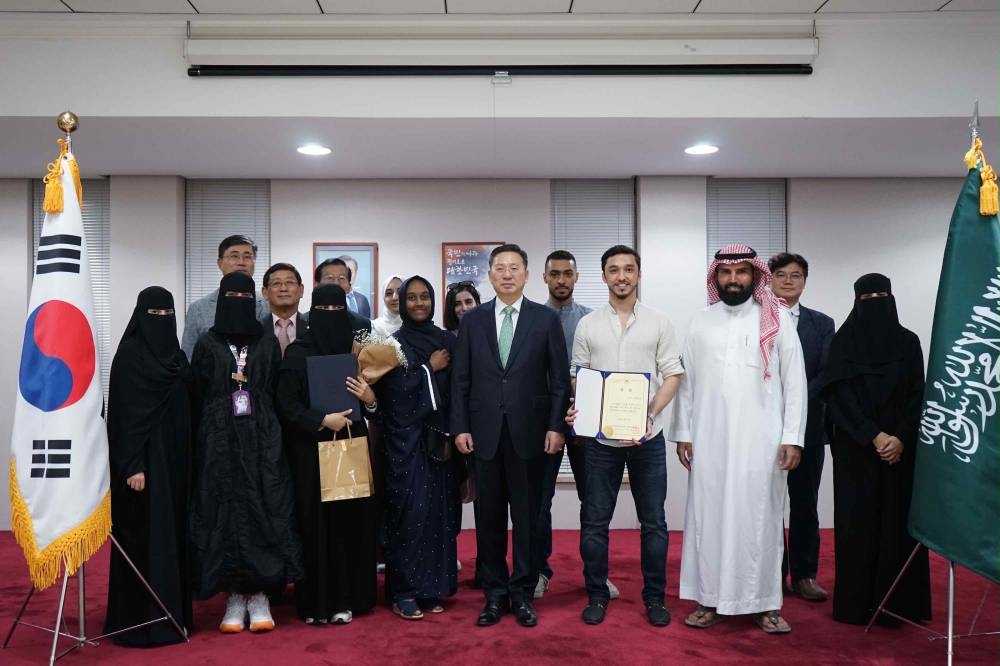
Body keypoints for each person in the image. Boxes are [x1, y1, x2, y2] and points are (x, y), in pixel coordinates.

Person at [670, 243, 806, 635]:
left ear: (755, 276)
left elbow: (795, 383)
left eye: (742, 272)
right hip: (709, 440)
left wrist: (792, 437)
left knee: (760, 519)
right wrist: (683, 433)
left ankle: (766, 603)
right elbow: (687, 384)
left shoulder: (777, 318)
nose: (733, 279)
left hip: (761, 442)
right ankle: (709, 599)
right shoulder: (700, 321)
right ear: (716, 278)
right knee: (707, 520)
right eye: (726, 273)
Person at [451, 243, 570, 628]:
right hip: (483, 434)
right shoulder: (473, 321)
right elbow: (461, 380)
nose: (506, 273)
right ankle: (494, 593)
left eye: (514, 267)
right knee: (487, 519)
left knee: (527, 517)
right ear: (490, 275)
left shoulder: (545, 320)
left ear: (526, 274)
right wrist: (460, 426)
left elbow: (558, 382)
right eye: (499, 267)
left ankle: (521, 592)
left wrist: (556, 426)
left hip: (531, 434)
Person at [566, 246, 683, 627]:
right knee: (595, 522)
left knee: (654, 523)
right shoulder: (588, 325)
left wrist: (647, 415)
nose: (621, 276)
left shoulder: (659, 322)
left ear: (638, 274)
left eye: (628, 269)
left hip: (647, 440)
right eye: (613, 270)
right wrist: (579, 407)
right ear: (603, 277)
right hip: (601, 443)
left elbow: (673, 375)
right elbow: (578, 375)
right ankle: (597, 594)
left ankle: (654, 598)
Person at [189, 271, 303, 634]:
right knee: (223, 509)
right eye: (231, 295)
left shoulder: (266, 341)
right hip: (219, 440)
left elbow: (271, 385)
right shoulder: (207, 343)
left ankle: (261, 593)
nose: (237, 301)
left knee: (264, 508)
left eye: (244, 295)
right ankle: (234, 595)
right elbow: (198, 391)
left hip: (262, 438)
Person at [821, 273, 931, 626]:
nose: (875, 302)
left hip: (901, 451)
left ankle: (902, 605)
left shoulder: (909, 342)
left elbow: (919, 394)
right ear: (857, 301)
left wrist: (899, 437)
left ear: (892, 298)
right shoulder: (842, 344)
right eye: (868, 297)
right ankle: (856, 605)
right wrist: (874, 435)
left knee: (900, 524)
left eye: (881, 295)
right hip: (857, 451)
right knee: (859, 525)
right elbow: (838, 396)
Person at [276, 284, 378, 626]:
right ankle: (319, 601)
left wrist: (369, 398)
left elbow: (381, 408)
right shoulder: (297, 354)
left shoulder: (362, 352)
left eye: (338, 310)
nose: (331, 317)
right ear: (312, 312)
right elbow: (285, 405)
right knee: (316, 527)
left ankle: (354, 597)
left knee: (353, 523)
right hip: (311, 452)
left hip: (352, 446)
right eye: (324, 310)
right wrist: (320, 420)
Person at [104, 287, 193, 646]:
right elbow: (123, 417)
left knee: (173, 537)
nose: (161, 321)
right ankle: (140, 624)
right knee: (144, 540)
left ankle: (174, 617)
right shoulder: (128, 357)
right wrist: (132, 465)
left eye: (166, 314)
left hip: (175, 463)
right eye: (153, 315)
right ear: (140, 315)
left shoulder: (177, 358)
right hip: (141, 471)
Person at [536, 250, 619, 601]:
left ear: (576, 277)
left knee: (594, 501)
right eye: (554, 274)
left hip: (587, 422)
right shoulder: (534, 319)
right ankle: (539, 570)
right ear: (544, 277)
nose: (561, 280)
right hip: (543, 423)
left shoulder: (591, 320)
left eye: (567, 274)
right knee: (540, 501)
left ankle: (596, 575)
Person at [378, 276, 460, 620]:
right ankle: (404, 591)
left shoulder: (446, 340)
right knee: (408, 514)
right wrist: (430, 368)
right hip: (405, 445)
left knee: (437, 517)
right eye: (411, 297)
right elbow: (393, 397)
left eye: (425, 297)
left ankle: (431, 587)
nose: (419, 303)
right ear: (402, 302)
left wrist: (455, 434)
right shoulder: (392, 346)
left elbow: (460, 389)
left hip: (439, 444)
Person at [768, 252, 835, 602]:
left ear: (805, 281)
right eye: (781, 274)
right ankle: (771, 575)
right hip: (762, 427)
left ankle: (805, 574)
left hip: (808, 428)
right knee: (767, 504)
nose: (789, 281)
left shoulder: (822, 324)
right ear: (770, 279)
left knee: (805, 502)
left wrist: (793, 399)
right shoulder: (757, 322)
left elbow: (827, 373)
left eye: (796, 275)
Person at [181, 234, 269, 358]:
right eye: (234, 256)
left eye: (247, 257)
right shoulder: (198, 309)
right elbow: (189, 357)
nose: (241, 262)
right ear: (220, 263)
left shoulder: (267, 304)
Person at [315, 259, 374, 335]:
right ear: (317, 285)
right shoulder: (304, 322)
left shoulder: (363, 325)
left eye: (341, 278)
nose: (336, 284)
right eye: (329, 278)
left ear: (349, 285)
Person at [260, 262, 308, 357]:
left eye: (289, 282)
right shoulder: (257, 329)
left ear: (301, 290)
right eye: (276, 283)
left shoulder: (311, 327)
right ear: (265, 293)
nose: (283, 288)